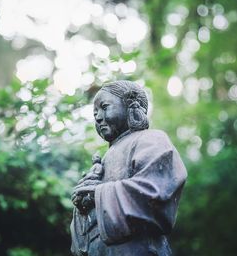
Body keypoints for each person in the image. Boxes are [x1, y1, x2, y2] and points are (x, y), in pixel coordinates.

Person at [70, 81, 187, 256]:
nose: (98, 117)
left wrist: (100, 193)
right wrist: (83, 207)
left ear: (131, 106)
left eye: (105, 107)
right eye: (95, 113)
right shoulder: (104, 158)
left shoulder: (151, 139)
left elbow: (156, 191)